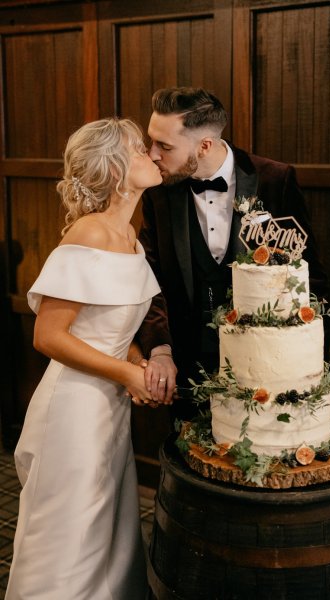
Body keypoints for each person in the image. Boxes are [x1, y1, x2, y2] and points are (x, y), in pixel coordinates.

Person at [5, 117, 168, 599]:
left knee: (105, 532)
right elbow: (49, 336)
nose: (152, 156)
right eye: (140, 150)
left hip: (107, 406)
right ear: (116, 169)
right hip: (73, 410)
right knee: (68, 535)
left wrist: (136, 361)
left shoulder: (131, 238)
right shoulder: (89, 234)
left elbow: (110, 328)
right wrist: (124, 372)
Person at [136, 86, 329, 420]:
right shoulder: (158, 192)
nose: (152, 154)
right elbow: (148, 278)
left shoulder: (275, 180)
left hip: (264, 369)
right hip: (185, 364)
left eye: (164, 146)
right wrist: (160, 348)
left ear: (205, 145)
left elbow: (310, 278)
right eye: (151, 142)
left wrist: (308, 369)